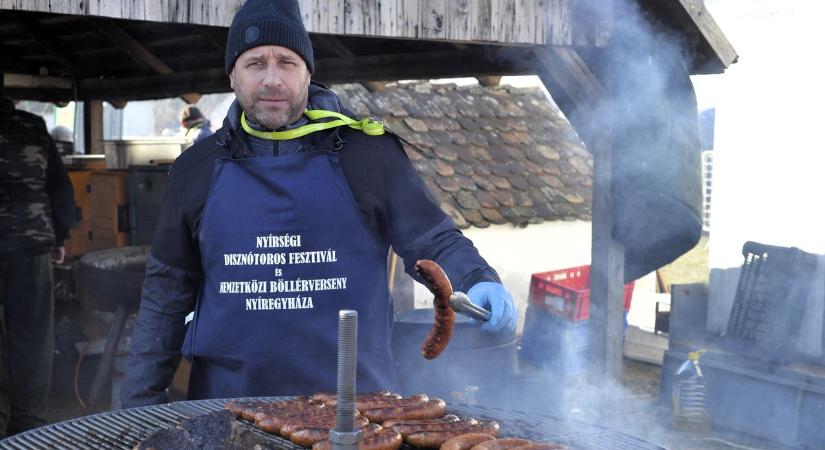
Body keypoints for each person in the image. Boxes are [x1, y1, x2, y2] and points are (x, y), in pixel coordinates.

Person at [121, 0, 517, 408]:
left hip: (359, 411)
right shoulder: (195, 170)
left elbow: (433, 243)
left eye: (287, 62)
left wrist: (477, 278)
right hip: (227, 412)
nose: (272, 79)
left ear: (308, 72)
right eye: (255, 63)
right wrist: (138, 404)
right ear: (233, 76)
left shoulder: (367, 154)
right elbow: (165, 300)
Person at [0, 80, 75, 435]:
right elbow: (59, 186)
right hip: (31, 244)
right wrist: (60, 236)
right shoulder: (32, 125)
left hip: (26, 243)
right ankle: (29, 425)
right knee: (32, 335)